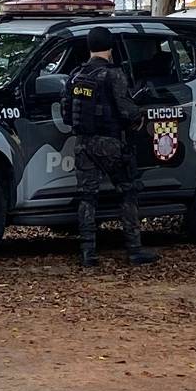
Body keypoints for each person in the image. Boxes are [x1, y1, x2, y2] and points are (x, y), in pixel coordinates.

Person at [62, 27, 159, 267]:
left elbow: (66, 113)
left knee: (87, 197)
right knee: (128, 190)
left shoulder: (75, 76)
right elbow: (127, 111)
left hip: (83, 144)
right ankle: (135, 250)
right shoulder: (113, 75)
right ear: (111, 48)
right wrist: (140, 116)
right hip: (110, 144)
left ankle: (88, 253)